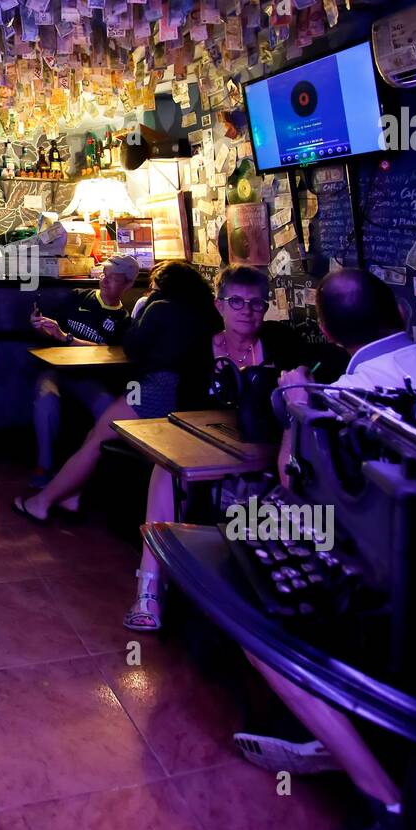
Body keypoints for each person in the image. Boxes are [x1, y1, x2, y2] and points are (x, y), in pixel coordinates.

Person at [235, 269, 416, 830]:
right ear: (402, 309)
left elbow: (305, 485)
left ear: (323, 329)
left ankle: (392, 813)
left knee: (253, 608)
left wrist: (298, 406)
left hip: (407, 580)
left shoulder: (350, 391)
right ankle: (341, 731)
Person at [123, 264, 310, 631]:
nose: (247, 311)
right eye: (236, 301)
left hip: (271, 452)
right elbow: (189, 415)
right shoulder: (199, 351)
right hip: (213, 450)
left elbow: (304, 389)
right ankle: (148, 587)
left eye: (256, 304)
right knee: (167, 468)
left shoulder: (282, 343)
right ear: (219, 305)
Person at [13, 260, 219, 523]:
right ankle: (72, 496)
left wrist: (143, 310)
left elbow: (132, 346)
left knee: (99, 437)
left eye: (153, 285)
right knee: (97, 432)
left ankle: (42, 502)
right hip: (193, 397)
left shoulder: (158, 306)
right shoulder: (208, 312)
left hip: (158, 389)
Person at [30, 255, 139, 485]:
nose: (105, 280)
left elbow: (107, 352)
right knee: (45, 398)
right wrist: (41, 326)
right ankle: (44, 466)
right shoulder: (78, 296)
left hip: (88, 378)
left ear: (128, 285)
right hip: (57, 371)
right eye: (104, 274)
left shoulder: (124, 321)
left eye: (114, 278)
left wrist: (65, 337)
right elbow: (52, 332)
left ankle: (91, 473)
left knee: (107, 407)